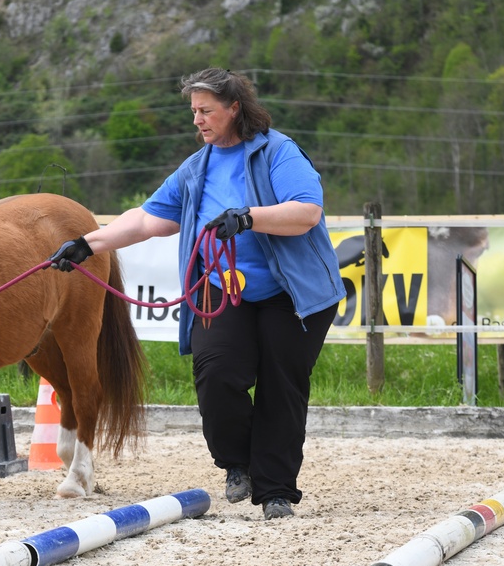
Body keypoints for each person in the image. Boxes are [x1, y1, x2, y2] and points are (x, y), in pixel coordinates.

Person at [48, 67, 344, 521]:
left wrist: (247, 217)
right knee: (216, 373)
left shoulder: (278, 152)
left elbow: (305, 213)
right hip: (222, 289)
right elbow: (146, 219)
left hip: (292, 294)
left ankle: (276, 492)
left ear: (234, 108)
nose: (197, 120)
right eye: (193, 111)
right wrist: (88, 244)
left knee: (281, 387)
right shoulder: (195, 169)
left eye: (206, 110)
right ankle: (237, 463)